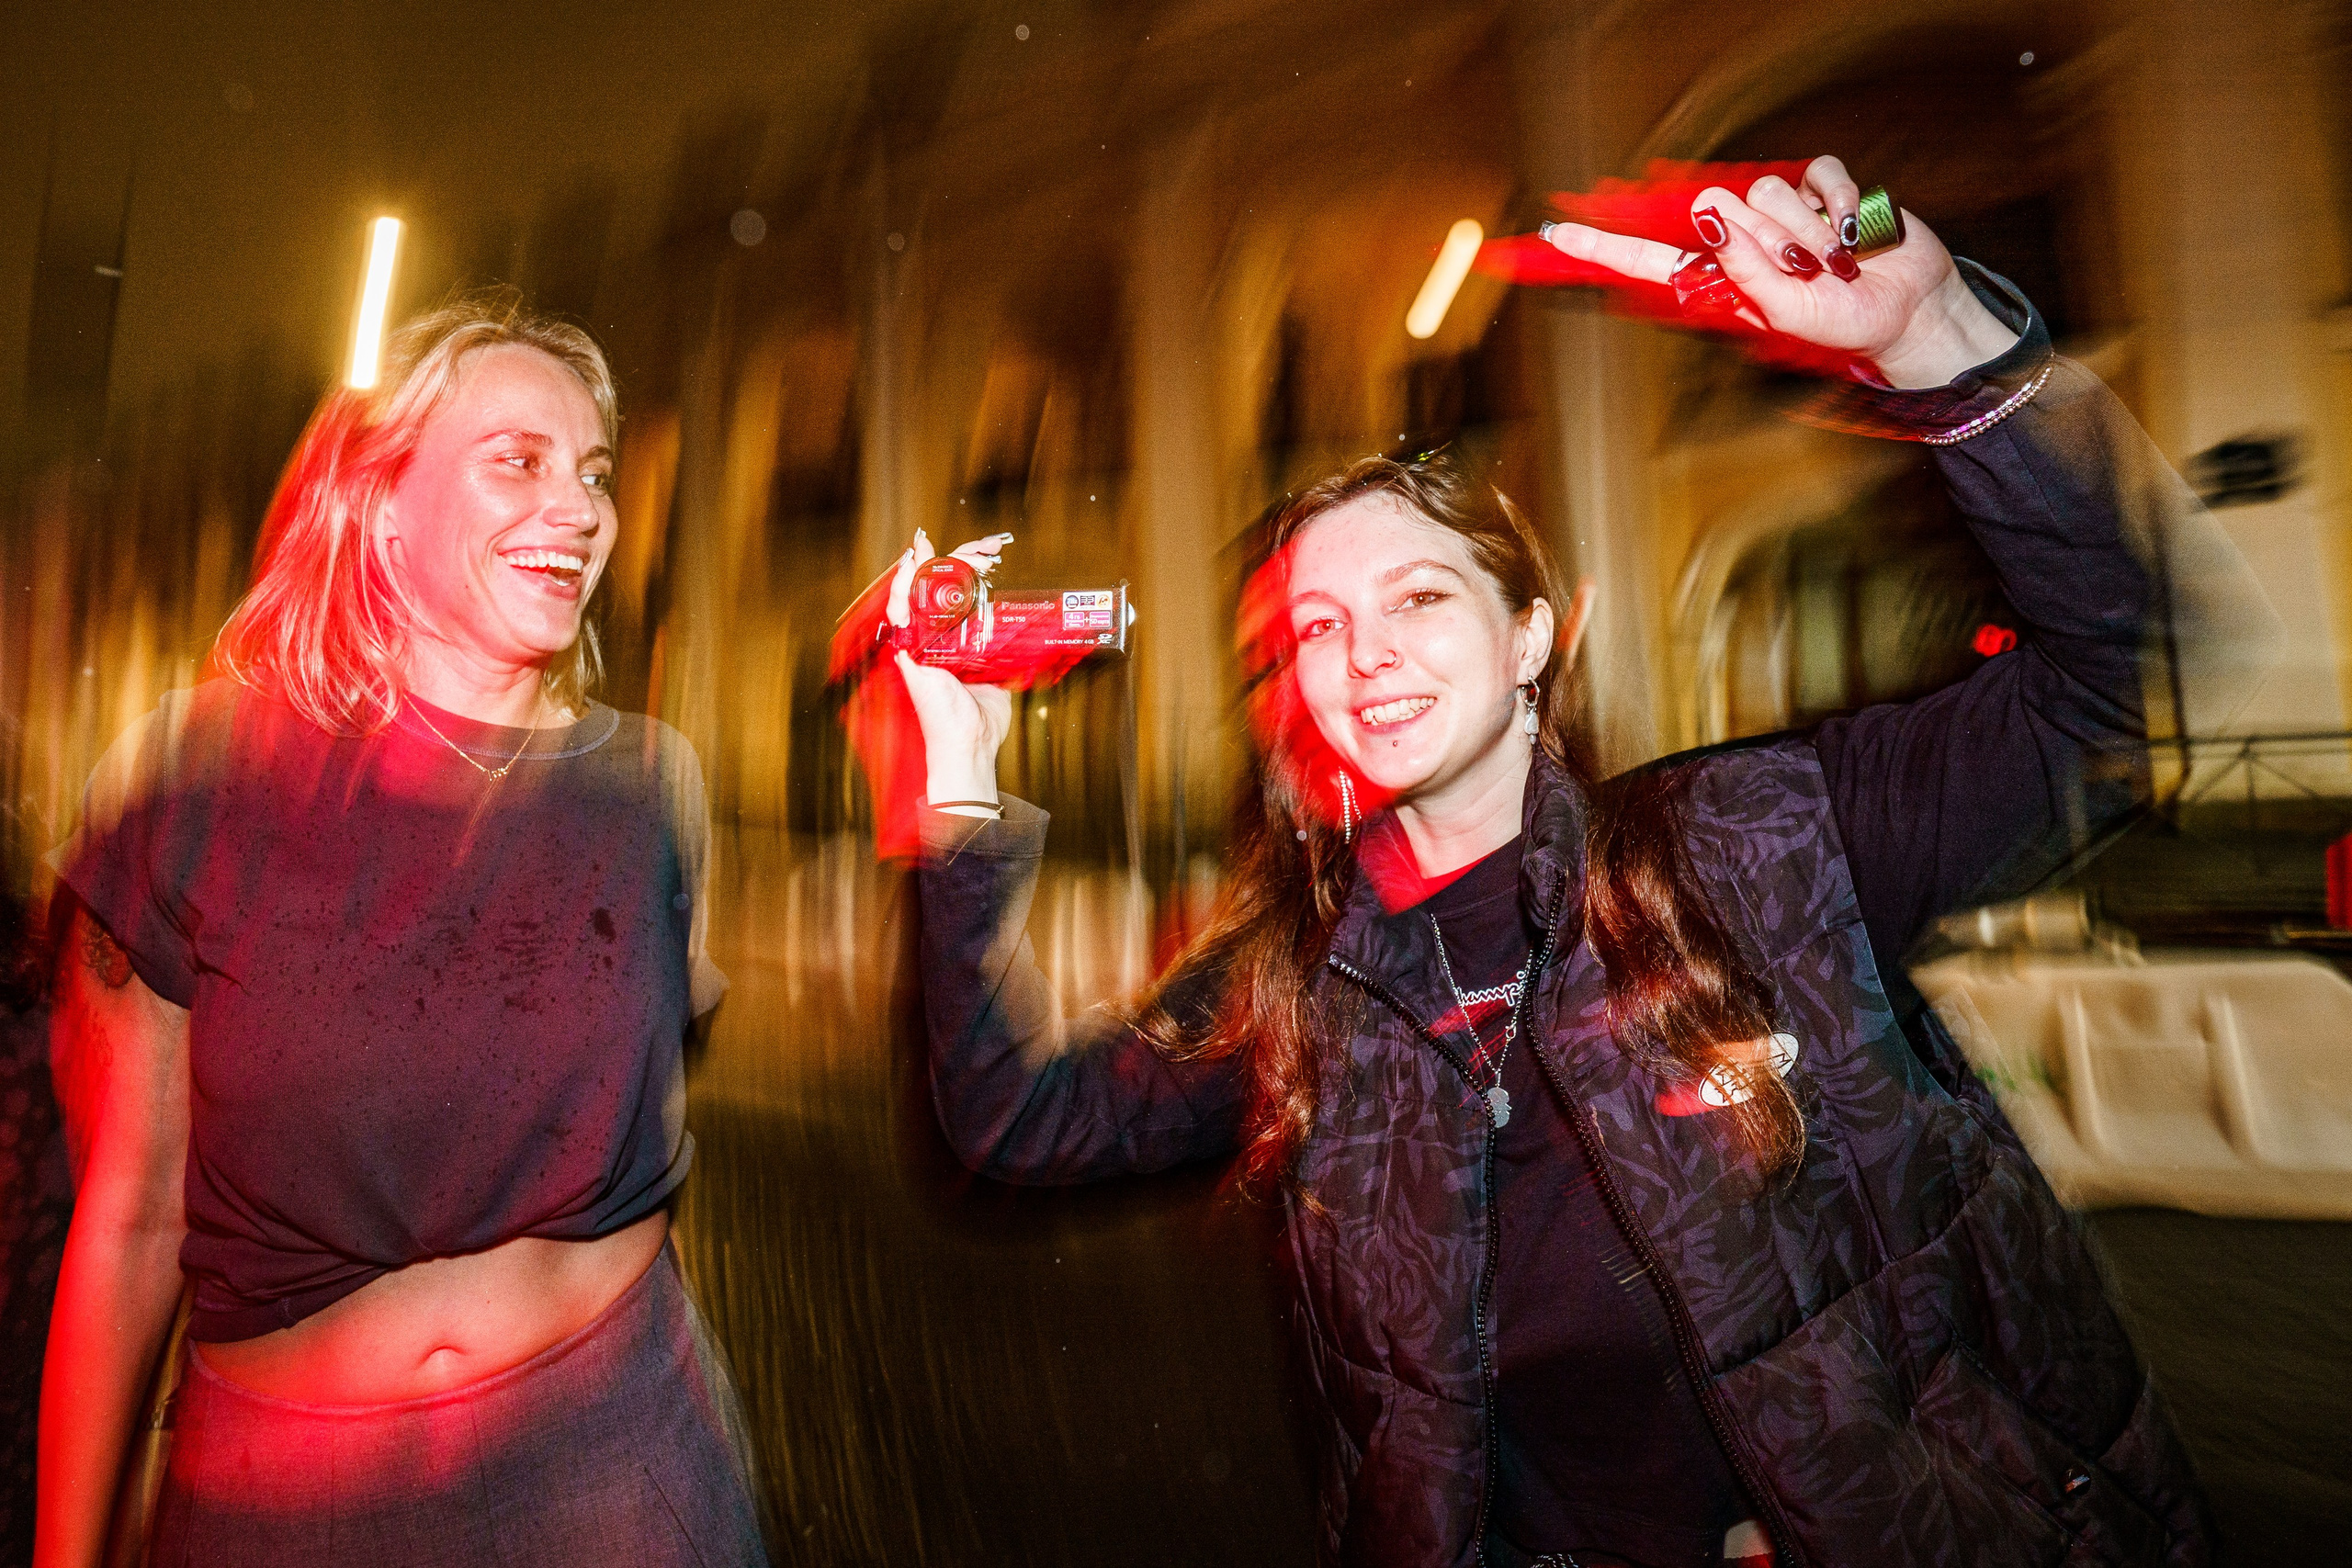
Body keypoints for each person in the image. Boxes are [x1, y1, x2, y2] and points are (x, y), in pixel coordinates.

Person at [888, 156, 2270, 1567]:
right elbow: (1011, 1125)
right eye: (1313, 627)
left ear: (1531, 638)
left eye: (1420, 596)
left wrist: (1937, 347)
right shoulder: (1299, 985)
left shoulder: (1762, 845)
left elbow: (2123, 681)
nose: (1363, 653)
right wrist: (954, 771)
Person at [35, 292, 765, 1566]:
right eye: (518, 462)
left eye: (592, 471)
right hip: (280, 1505)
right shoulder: (195, 786)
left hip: (616, 1468)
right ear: (381, 502)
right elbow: (133, 1212)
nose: (582, 508)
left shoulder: (654, 789)